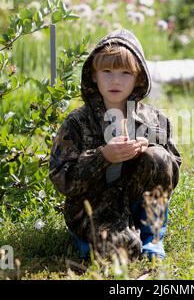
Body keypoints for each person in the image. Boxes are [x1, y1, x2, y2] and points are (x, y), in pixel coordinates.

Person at [49, 28, 181, 261]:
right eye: (107, 71)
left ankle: (152, 238)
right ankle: (86, 236)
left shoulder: (155, 120)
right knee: (121, 252)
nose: (115, 80)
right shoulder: (77, 122)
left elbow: (173, 173)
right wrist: (103, 157)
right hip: (94, 208)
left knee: (159, 156)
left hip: (134, 202)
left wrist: (147, 153)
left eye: (125, 73)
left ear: (139, 78)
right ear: (93, 75)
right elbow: (62, 179)